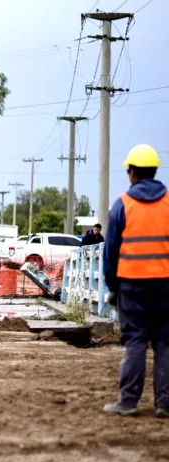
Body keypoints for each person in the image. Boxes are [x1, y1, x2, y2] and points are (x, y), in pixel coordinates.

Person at [102, 144, 169, 418]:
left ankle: (128, 402)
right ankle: (165, 404)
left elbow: (110, 252)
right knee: (165, 343)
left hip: (132, 286)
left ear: (132, 173)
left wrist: (112, 287)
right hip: (165, 286)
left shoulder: (123, 205)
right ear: (154, 172)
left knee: (136, 343)